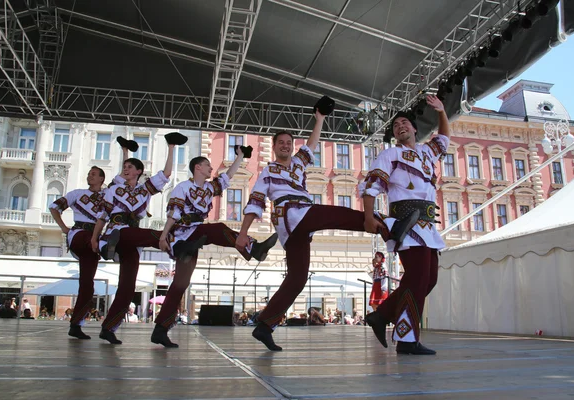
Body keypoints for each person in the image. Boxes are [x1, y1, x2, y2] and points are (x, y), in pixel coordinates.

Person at [235, 98, 389, 351]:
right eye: (281, 143)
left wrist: (319, 119)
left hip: (299, 225)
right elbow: (255, 201)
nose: (285, 146)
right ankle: (384, 225)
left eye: (289, 143)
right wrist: (243, 233)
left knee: (297, 278)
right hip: (291, 214)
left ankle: (264, 325)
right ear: (273, 147)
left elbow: (312, 144)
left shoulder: (297, 163)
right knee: (338, 214)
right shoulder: (268, 171)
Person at [151, 147, 278, 347]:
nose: (211, 168)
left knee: (181, 284)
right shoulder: (183, 187)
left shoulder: (209, 189)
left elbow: (227, 178)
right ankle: (254, 248)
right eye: (208, 165)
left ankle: (160, 330)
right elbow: (174, 213)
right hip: (181, 236)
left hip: (195, 236)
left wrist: (239, 157)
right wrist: (164, 236)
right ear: (198, 167)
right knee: (216, 229)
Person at [361, 95, 450, 355]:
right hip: (406, 223)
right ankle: (407, 340)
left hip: (428, 223)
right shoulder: (390, 154)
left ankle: (383, 315)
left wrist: (442, 112)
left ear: (414, 129)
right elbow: (371, 185)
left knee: (428, 280)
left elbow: (444, 138)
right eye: (395, 126)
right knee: (417, 278)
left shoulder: (426, 152)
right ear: (395, 135)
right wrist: (368, 216)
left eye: (404, 123)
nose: (400, 126)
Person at [91, 132, 196, 345]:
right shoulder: (113, 189)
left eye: (130, 167)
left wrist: (171, 147)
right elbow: (102, 216)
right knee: (153, 235)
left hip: (132, 237)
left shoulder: (144, 190)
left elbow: (166, 173)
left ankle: (108, 327)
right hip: (118, 230)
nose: (126, 169)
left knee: (128, 286)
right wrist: (95, 238)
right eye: (125, 167)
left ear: (139, 171)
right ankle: (175, 244)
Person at [50, 139, 131, 340]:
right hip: (79, 235)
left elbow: (124, 175)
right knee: (91, 240)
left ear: (102, 179)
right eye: (88, 174)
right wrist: (63, 228)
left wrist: (125, 151)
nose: (89, 176)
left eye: (93, 174)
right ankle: (108, 249)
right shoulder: (77, 194)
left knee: (88, 285)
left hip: (93, 243)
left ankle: (76, 324)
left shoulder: (107, 193)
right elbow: (54, 206)